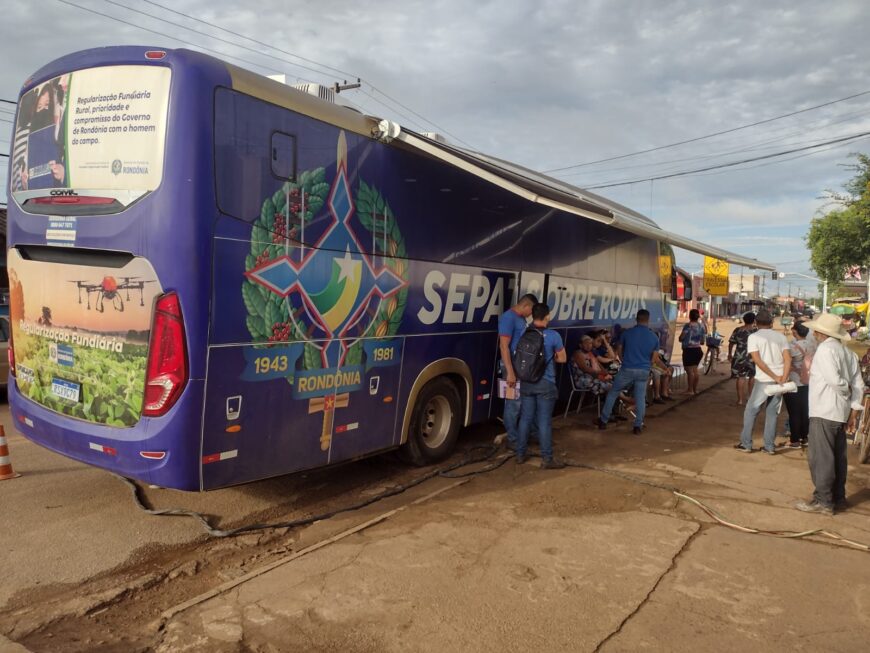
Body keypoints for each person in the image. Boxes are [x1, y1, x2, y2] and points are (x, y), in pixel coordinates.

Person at [795, 314, 863, 515]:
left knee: (821, 458)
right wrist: (853, 407)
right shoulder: (848, 353)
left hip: (824, 410)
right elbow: (859, 383)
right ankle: (838, 498)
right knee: (837, 457)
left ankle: (823, 501)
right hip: (839, 412)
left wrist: (846, 392)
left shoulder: (825, 350)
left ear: (819, 333)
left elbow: (835, 381)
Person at [515, 303, 567, 469]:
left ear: (532, 315)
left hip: (526, 382)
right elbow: (562, 359)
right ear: (547, 316)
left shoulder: (524, 332)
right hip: (545, 384)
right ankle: (547, 459)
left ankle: (520, 454)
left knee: (525, 418)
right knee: (544, 421)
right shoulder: (553, 336)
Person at [596, 309, 661, 435]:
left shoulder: (627, 333)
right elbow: (655, 358)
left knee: (613, 392)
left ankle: (603, 421)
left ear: (636, 319)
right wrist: (647, 364)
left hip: (627, 369)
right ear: (648, 320)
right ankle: (638, 426)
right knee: (640, 397)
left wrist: (623, 359)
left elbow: (619, 351)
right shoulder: (654, 337)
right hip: (643, 370)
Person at [735, 310, 791, 454]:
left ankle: (746, 443)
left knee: (751, 411)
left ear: (756, 323)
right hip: (779, 380)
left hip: (764, 379)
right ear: (772, 323)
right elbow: (788, 359)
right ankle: (769, 446)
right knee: (772, 412)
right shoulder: (781, 337)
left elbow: (758, 361)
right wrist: (782, 377)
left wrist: (774, 376)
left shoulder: (754, 337)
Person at [498, 293, 538, 449]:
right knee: (513, 404)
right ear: (525, 305)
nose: (531, 314)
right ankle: (512, 439)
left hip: (520, 367)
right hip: (511, 367)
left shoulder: (520, 319)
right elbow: (503, 346)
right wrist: (510, 372)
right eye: (531, 310)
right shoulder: (508, 318)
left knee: (523, 402)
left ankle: (527, 435)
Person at [782, 322, 814, 449]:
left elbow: (785, 360)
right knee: (805, 411)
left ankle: (794, 440)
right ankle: (805, 437)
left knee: (794, 412)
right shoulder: (812, 345)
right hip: (809, 382)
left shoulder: (793, 346)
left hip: (794, 382)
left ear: (795, 332)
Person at [728, 312, 757, 405]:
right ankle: (751, 398)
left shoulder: (738, 330)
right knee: (752, 377)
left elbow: (731, 343)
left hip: (739, 357)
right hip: (753, 357)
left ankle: (740, 400)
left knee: (741, 378)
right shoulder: (756, 331)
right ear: (754, 321)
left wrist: (729, 354)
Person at [679, 309, 706, 395]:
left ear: (690, 316)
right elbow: (702, 340)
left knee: (689, 371)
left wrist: (681, 339)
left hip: (689, 350)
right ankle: (695, 389)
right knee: (695, 371)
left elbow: (682, 337)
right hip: (698, 350)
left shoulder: (688, 326)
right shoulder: (701, 326)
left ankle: (690, 390)